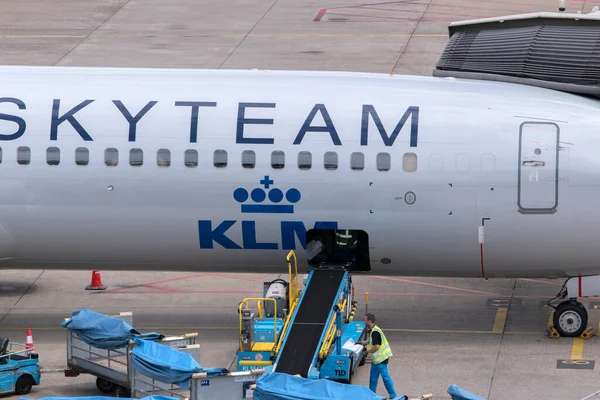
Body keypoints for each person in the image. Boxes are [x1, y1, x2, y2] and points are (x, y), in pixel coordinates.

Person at [359, 313, 406, 400]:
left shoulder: (375, 332)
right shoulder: (373, 330)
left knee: (385, 378)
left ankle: (393, 395)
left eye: (365, 320)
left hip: (381, 359)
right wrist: (360, 342)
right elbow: (370, 341)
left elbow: (376, 347)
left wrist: (366, 352)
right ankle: (371, 395)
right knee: (373, 378)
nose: (364, 321)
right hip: (376, 360)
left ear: (369, 321)